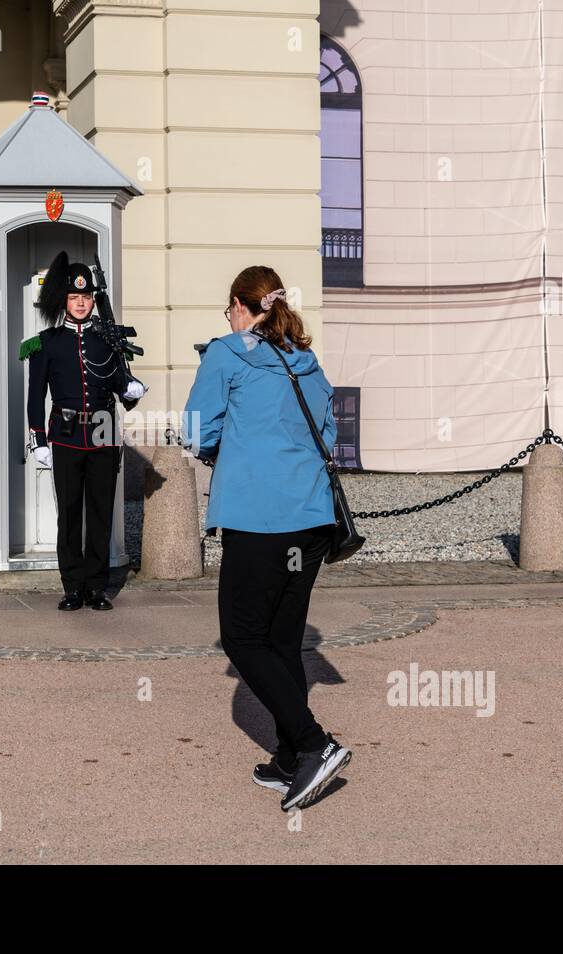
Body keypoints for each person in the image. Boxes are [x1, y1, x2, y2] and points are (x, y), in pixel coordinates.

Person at [182, 265, 352, 812]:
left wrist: (224, 452)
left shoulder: (226, 353)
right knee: (283, 641)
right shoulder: (305, 360)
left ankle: (314, 743)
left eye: (229, 309)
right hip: (311, 520)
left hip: (260, 520)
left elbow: (195, 429)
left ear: (238, 305)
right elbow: (328, 432)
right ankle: (287, 758)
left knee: (242, 639)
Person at [21, 252, 145, 611]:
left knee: (100, 511)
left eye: (86, 297)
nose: (80, 303)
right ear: (65, 301)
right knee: (71, 513)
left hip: (104, 433)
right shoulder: (45, 343)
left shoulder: (107, 339)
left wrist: (133, 390)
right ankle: (72, 585)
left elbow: (123, 390)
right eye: (75, 297)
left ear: (93, 300)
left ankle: (97, 586)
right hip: (65, 435)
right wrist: (38, 440)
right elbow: (35, 397)